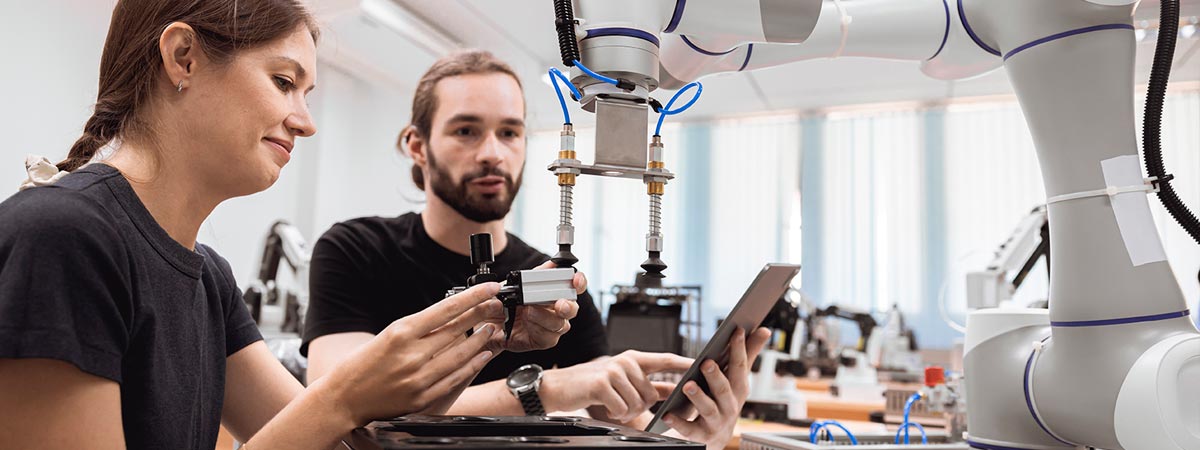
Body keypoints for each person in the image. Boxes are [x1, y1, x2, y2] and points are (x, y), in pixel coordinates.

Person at [0, 2, 573, 449]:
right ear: (183, 57)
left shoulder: (209, 280)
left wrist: (479, 338)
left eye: (307, 93)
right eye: (283, 81)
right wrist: (346, 395)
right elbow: (331, 415)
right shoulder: (64, 237)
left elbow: (340, 444)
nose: (305, 122)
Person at [302, 49, 772, 449]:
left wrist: (700, 430)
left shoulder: (559, 286)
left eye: (509, 132)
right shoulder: (355, 250)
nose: (493, 152)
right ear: (417, 146)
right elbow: (336, 408)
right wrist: (540, 390)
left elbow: (618, 423)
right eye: (466, 131)